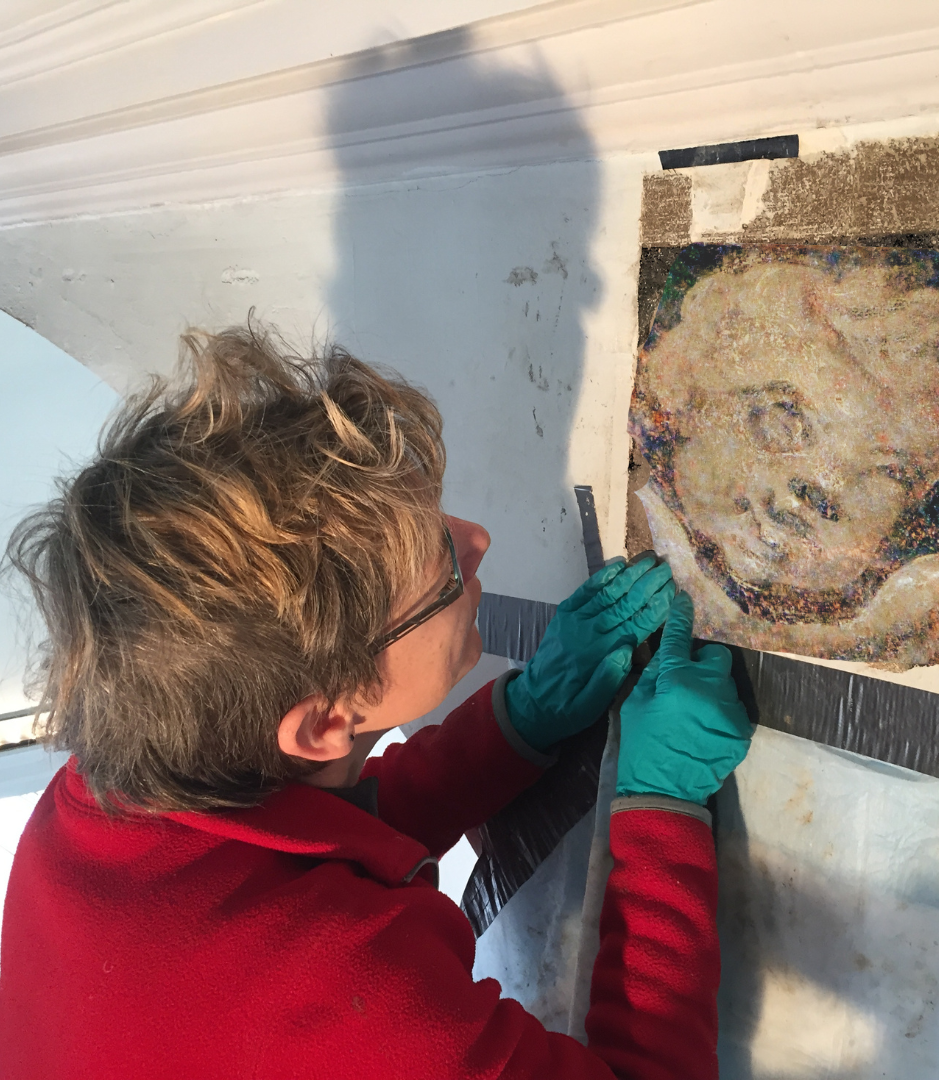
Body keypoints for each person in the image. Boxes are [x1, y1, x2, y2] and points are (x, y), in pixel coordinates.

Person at [0, 324, 753, 1079]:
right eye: (442, 572)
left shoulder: (101, 802)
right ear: (327, 722)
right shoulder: (361, 1013)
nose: (477, 539)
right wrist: (662, 809)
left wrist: (519, 721)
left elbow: (320, 832)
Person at [630, 246, 939, 668]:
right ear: (695, 404)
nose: (816, 495)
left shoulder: (906, 606)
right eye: (787, 419)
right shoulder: (636, 533)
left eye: (885, 474)